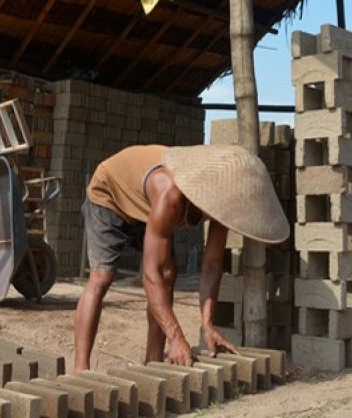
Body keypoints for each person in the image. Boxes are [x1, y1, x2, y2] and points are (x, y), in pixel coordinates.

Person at [73, 144, 289, 371]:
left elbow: (212, 265)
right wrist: (176, 337)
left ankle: (153, 363)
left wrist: (207, 323)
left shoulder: (223, 204)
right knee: (102, 277)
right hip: (110, 193)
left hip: (146, 205)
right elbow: (150, 275)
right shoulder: (170, 194)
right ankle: (80, 370)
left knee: (168, 276)